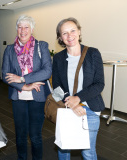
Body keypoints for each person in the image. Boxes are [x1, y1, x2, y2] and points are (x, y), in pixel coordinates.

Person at [52, 17, 105, 160]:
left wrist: (78, 99)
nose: (70, 36)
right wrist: (72, 103)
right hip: (68, 108)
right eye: (64, 33)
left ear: (79, 32)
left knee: (88, 152)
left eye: (73, 30)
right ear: (60, 37)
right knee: (64, 149)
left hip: (90, 110)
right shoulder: (57, 58)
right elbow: (57, 87)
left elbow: (99, 84)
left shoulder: (93, 53)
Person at [2, 15, 52, 160]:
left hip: (38, 97)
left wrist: (23, 78)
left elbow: (47, 71)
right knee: (20, 135)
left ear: (32, 29)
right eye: (20, 27)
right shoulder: (10, 49)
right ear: (16, 29)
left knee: (35, 135)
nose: (22, 30)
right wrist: (24, 87)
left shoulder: (41, 46)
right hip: (18, 97)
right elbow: (5, 74)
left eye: (26, 27)